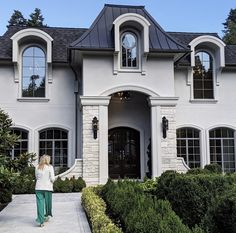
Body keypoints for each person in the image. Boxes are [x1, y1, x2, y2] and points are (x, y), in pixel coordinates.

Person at [35, 154, 55, 227]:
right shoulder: (50, 167)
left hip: (38, 188)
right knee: (48, 203)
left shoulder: (37, 167)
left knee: (40, 204)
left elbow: (36, 177)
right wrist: (52, 181)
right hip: (48, 188)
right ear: (48, 160)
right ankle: (46, 216)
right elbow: (52, 178)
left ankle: (41, 221)